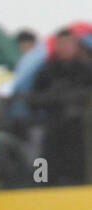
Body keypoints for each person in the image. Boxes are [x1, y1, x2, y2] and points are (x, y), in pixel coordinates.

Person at [33, 29, 92, 186]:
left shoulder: (86, 70)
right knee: (45, 169)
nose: (65, 47)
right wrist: (53, 96)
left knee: (80, 171)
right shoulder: (46, 70)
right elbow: (33, 100)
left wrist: (78, 97)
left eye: (69, 43)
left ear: (76, 46)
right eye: (61, 44)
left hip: (82, 133)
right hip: (53, 129)